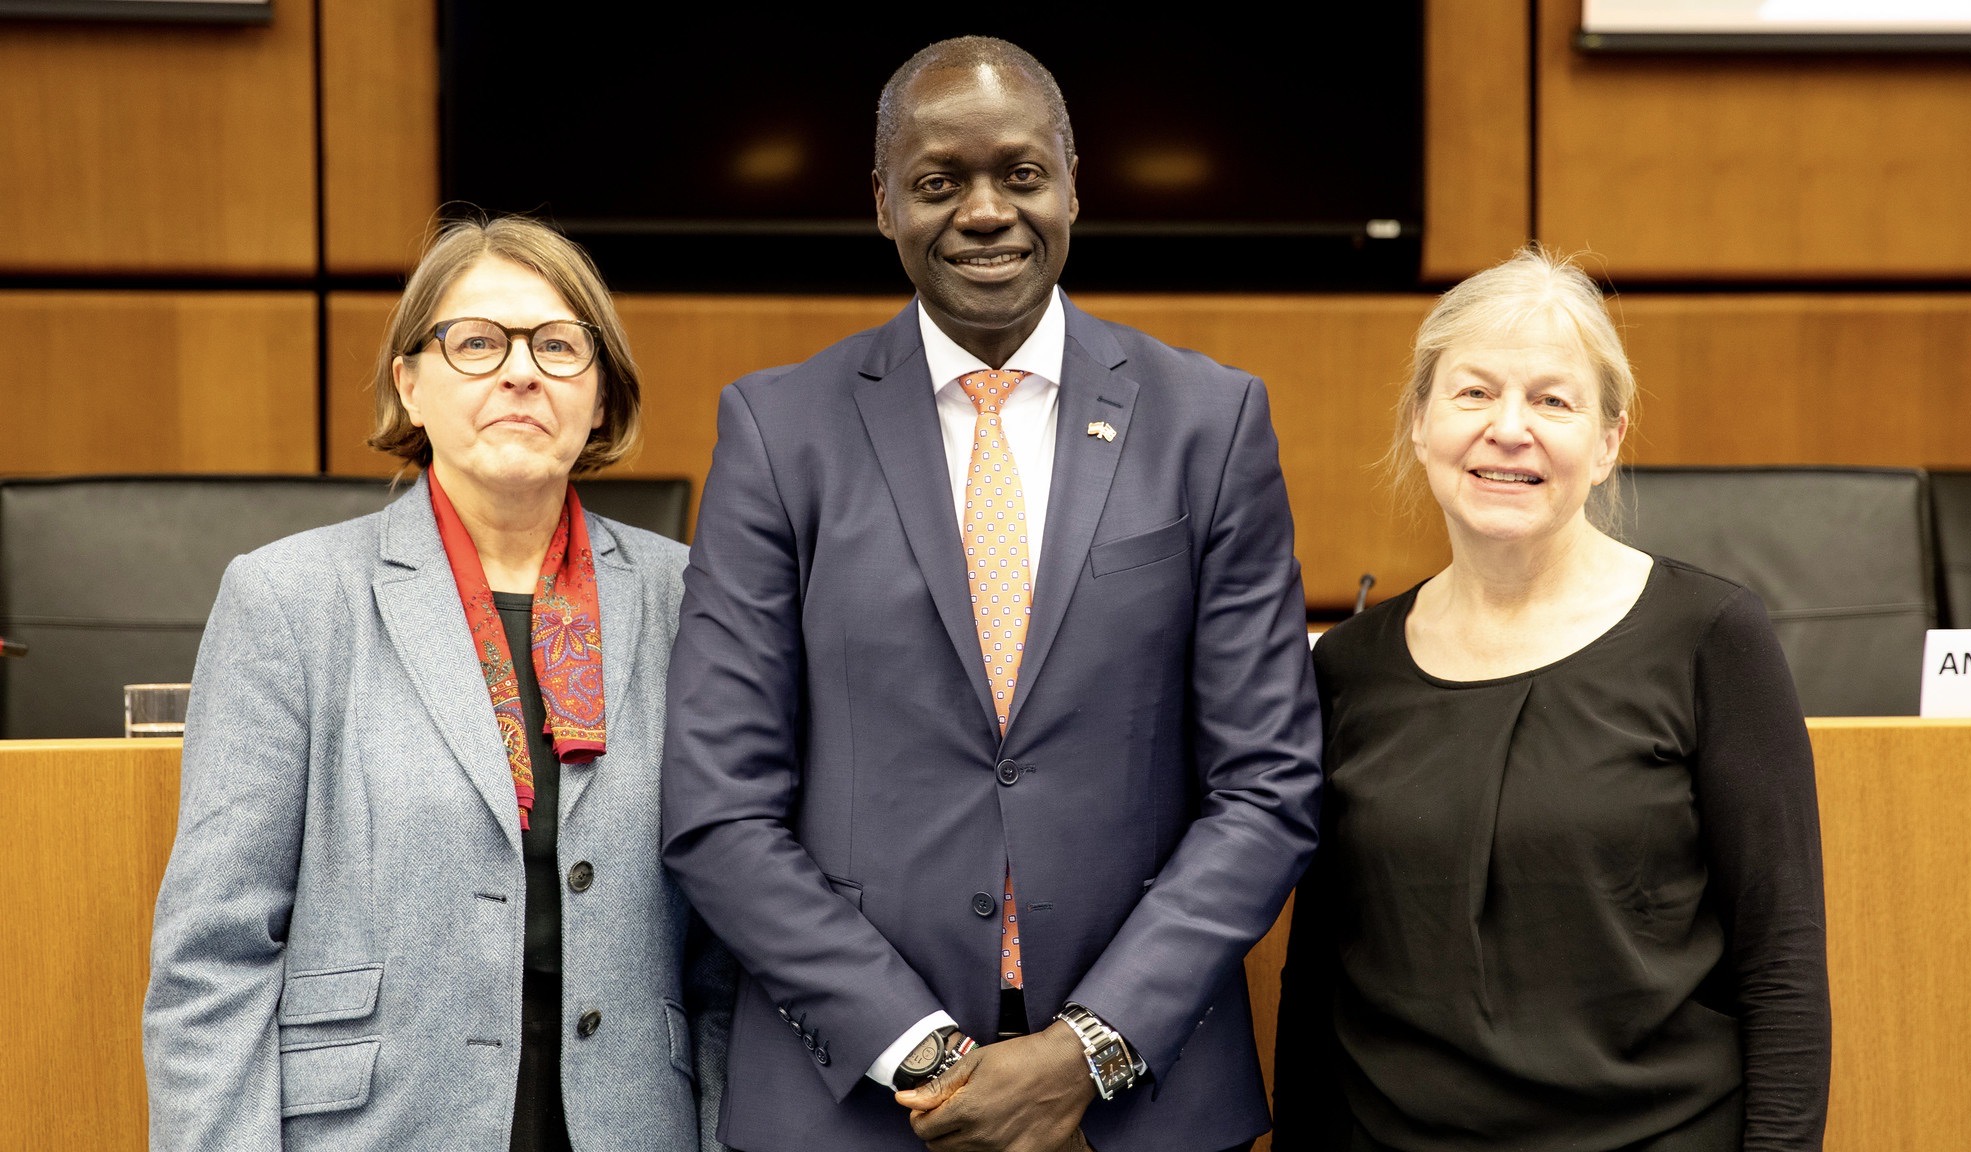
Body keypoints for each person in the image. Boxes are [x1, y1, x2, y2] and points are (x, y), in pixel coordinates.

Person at [660, 35, 1321, 1152]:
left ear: (1071, 183)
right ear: (883, 204)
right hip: (861, 1105)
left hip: (1141, 1102)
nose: (984, 212)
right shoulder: (778, 433)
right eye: (937, 182)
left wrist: (1087, 1050)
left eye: (1019, 174)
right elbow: (720, 808)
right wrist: (928, 1057)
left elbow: (1266, 787)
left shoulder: (1209, 424)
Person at [143, 215, 731, 1152]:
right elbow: (214, 958)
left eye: (559, 345)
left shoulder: (689, 598)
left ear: (603, 396)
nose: (521, 371)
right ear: (409, 384)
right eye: (478, 342)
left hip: (631, 1121)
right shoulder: (290, 599)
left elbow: (724, 948)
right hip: (375, 1122)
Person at [1272, 248, 1830, 1152]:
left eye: (1552, 400)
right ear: (1420, 423)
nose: (1508, 429)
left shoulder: (1712, 636)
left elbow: (1783, 966)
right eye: (1474, 393)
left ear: (1608, 441)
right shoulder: (1348, 669)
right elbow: (1317, 980)